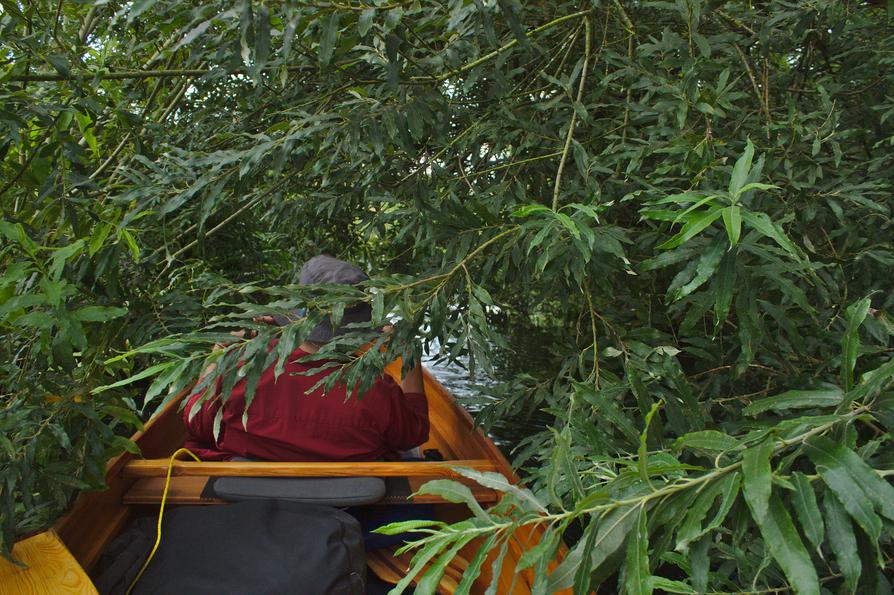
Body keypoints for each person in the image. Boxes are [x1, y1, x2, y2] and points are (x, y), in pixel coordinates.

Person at [181, 254, 429, 462]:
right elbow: (413, 434)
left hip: (249, 493)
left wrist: (221, 350)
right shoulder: (376, 390)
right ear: (359, 328)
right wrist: (407, 351)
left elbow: (196, 421)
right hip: (346, 501)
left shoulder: (240, 368)